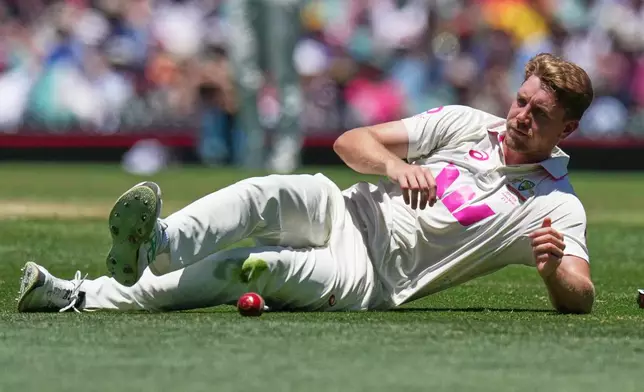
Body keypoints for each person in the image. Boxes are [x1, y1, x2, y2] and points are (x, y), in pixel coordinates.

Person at [16, 53, 596, 314]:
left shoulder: (555, 203)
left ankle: (80, 296)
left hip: (369, 276)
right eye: (521, 100)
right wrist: (395, 167)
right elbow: (351, 141)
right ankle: (159, 243)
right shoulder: (468, 122)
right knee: (260, 193)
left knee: (252, 268)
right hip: (345, 208)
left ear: (566, 127)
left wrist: (552, 274)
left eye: (538, 114)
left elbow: (582, 291)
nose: (519, 116)